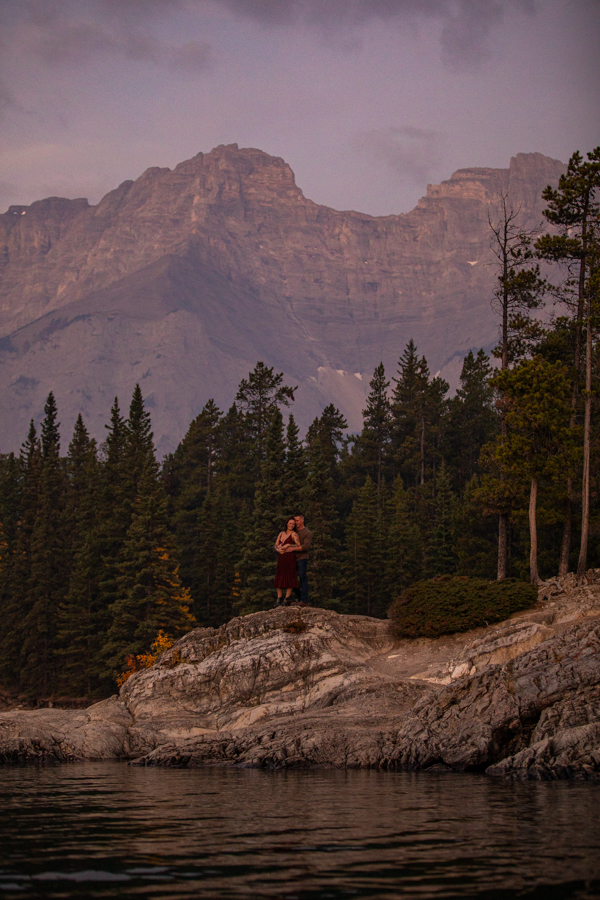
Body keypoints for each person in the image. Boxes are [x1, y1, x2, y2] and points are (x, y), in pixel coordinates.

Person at [274, 517, 301, 606]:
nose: (291, 525)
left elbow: (298, 545)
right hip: (281, 558)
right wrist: (278, 550)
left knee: (290, 576)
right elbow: (276, 545)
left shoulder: (294, 534)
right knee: (280, 576)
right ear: (287, 524)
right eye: (290, 523)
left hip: (290, 557)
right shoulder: (281, 534)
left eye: (293, 524)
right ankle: (279, 599)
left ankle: (287, 598)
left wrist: (288, 545)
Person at [293, 514, 312, 606]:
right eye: (295, 521)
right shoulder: (293, 531)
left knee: (302, 577)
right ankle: (299, 597)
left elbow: (306, 547)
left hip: (302, 558)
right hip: (293, 558)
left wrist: (293, 548)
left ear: (302, 520)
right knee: (292, 578)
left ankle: (303, 600)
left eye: (297, 520)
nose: (296, 523)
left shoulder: (307, 533)